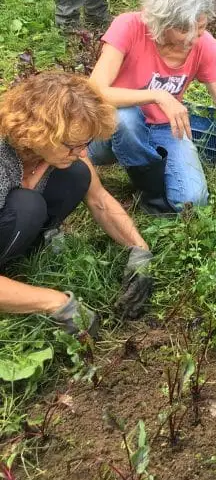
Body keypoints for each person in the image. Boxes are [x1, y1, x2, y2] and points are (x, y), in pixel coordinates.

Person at [89, 0, 216, 212]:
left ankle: (148, 165)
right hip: (108, 128)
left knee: (193, 201)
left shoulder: (206, 45)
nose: (193, 37)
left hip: (164, 128)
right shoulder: (129, 26)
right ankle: (151, 195)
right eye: (184, 30)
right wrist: (158, 95)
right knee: (127, 120)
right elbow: (95, 90)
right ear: (162, 22)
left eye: (200, 28)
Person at [0, 73, 155, 333]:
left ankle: (20, 262)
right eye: (72, 145)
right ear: (38, 133)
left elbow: (100, 200)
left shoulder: (56, 152)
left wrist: (140, 251)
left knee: (77, 173)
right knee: (27, 207)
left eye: (86, 143)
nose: (82, 152)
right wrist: (55, 303)